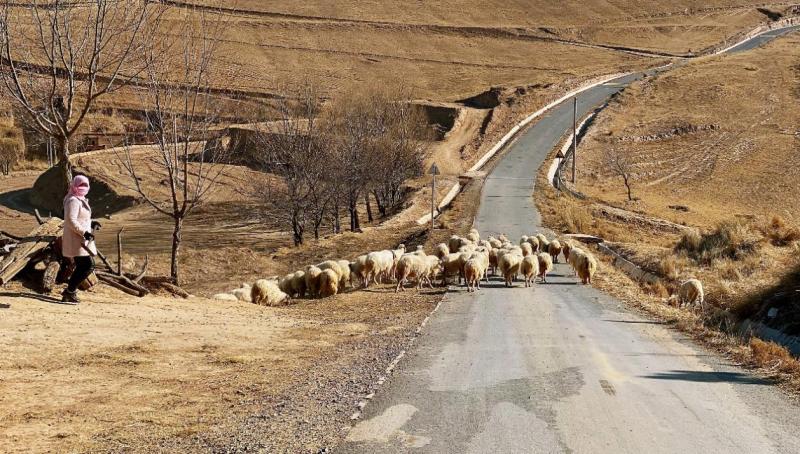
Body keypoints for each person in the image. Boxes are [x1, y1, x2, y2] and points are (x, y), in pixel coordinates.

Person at [61, 175, 100, 303]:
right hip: (76, 239)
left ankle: (69, 292)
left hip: (81, 239)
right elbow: (70, 221)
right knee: (88, 265)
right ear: (74, 186)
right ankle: (69, 292)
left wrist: (92, 223)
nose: (83, 188)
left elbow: (81, 218)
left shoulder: (80, 199)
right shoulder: (72, 200)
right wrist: (85, 233)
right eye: (80, 185)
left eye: (85, 185)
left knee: (84, 265)